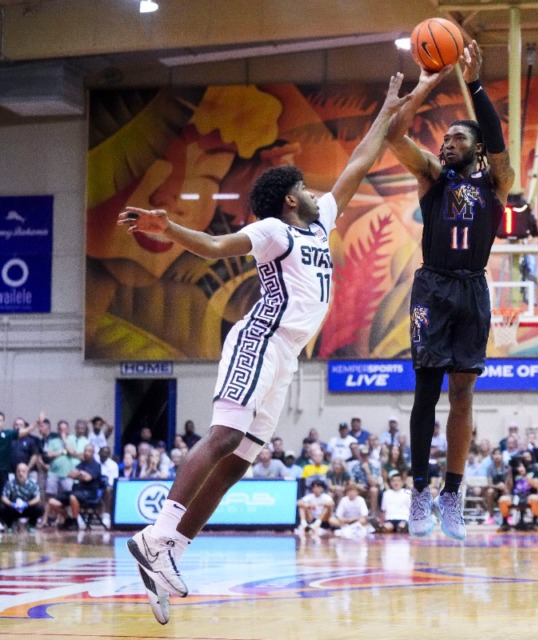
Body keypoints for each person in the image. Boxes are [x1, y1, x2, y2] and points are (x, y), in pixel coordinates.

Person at [120, 73, 411, 624]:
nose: (311, 188)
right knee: (224, 435)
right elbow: (211, 247)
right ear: (289, 197)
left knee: (239, 462)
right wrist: (169, 226)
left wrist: (395, 106)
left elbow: (361, 161)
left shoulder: (319, 222)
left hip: (288, 357)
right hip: (259, 339)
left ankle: (172, 551)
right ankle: (156, 534)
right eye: (301, 184)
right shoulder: (272, 231)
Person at [385, 41, 514, 542]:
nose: (447, 143)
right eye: (445, 138)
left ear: (476, 148)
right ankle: (420, 488)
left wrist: (475, 83)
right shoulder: (430, 177)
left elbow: (498, 141)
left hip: (473, 289)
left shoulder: (496, 182)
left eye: (458, 138)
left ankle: (451, 493)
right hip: (433, 286)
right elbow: (395, 135)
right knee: (426, 388)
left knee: (464, 391)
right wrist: (427, 83)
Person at [0, 462, 43, 531]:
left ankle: (31, 524)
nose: (21, 473)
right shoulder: (10, 483)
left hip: (27, 507)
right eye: (18, 471)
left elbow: (37, 498)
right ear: (16, 472)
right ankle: (10, 524)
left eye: (23, 471)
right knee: (2, 508)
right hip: (14, 508)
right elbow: (3, 497)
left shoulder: (33, 483)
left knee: (39, 508)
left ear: (27, 472)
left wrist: (27, 504)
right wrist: (11, 504)